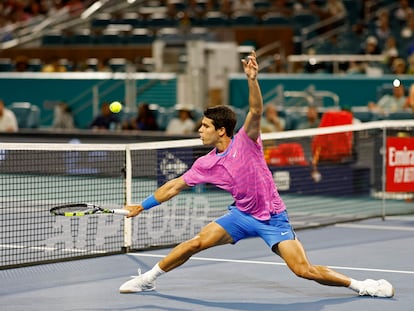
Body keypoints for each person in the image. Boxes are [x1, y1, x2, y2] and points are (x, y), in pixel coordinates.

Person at [119, 51, 394, 298]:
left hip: (273, 218)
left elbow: (256, 110)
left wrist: (252, 79)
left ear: (221, 130)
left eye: (205, 126)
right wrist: (141, 207)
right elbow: (175, 186)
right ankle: (147, 279)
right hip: (240, 216)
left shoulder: (246, 141)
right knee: (196, 242)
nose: (199, 130)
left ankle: (363, 286)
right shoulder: (205, 163)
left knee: (303, 270)